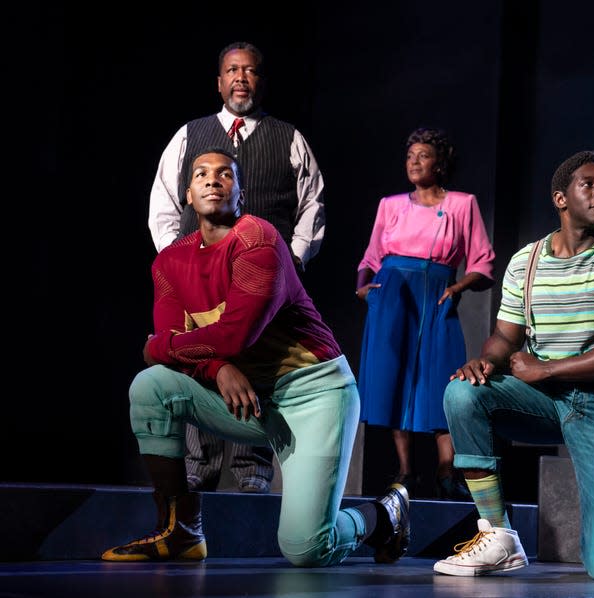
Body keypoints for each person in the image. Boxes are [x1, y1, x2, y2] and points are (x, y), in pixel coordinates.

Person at [103, 148, 409, 565]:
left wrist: (158, 346)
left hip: (314, 396)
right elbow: (189, 346)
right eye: (201, 174)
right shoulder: (170, 262)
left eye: (225, 174)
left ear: (240, 193)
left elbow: (230, 335)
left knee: (305, 548)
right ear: (188, 196)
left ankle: (383, 514)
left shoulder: (258, 239)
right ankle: (181, 531)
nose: (213, 180)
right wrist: (217, 367)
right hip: (249, 402)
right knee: (151, 388)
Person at [433, 150, 594, 579]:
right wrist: (484, 361)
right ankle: (498, 534)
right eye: (589, 184)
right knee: (462, 393)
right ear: (561, 198)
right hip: (540, 400)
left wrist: (548, 369)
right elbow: (505, 338)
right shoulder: (527, 261)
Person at [148, 41, 326, 493]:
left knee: (258, 362)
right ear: (219, 81)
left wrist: (293, 261)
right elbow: (164, 204)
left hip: (261, 281)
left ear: (260, 80)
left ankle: (252, 475)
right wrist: (181, 263)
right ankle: (197, 469)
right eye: (232, 70)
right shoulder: (190, 134)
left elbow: (312, 206)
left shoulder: (289, 138)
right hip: (199, 279)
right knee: (201, 356)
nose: (240, 78)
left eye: (249, 71)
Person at [356, 127, 496, 500]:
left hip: (436, 293)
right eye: (409, 156)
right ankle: (404, 471)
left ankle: (446, 466)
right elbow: (371, 257)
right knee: (394, 378)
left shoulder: (462, 204)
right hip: (392, 295)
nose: (414, 162)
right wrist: (363, 287)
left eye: (423, 155)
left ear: (441, 163)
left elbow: (483, 263)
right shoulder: (390, 205)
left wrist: (457, 287)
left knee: (441, 376)